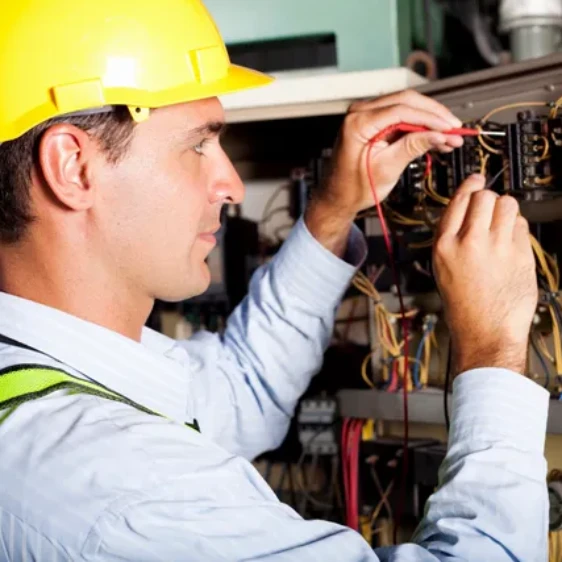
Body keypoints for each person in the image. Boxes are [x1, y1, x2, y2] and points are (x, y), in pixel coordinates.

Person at [0, 1, 548, 560]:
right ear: (74, 166)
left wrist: (333, 209)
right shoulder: (131, 500)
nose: (232, 185)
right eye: (197, 144)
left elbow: (242, 388)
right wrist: (492, 350)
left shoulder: (36, 377)